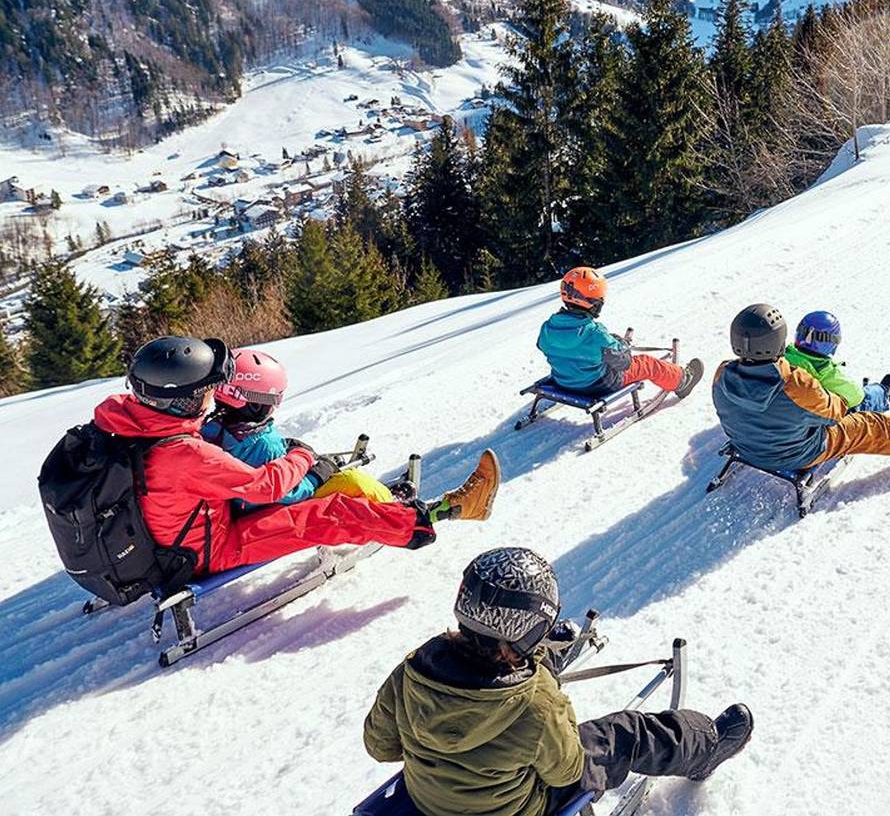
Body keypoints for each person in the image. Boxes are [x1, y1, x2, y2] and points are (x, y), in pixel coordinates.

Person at [363, 547, 753, 816]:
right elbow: (566, 772)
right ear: (527, 632)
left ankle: (544, 656)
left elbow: (380, 746)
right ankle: (708, 747)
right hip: (519, 809)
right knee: (627, 733)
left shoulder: (413, 669)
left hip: (429, 802)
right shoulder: (538, 706)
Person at [91, 336, 500, 575]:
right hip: (206, 550)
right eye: (204, 391)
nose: (213, 396)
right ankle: (434, 515)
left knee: (331, 500)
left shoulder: (129, 422)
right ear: (179, 401)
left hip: (165, 536)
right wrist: (305, 457)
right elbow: (268, 487)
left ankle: (396, 509)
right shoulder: (184, 453)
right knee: (331, 513)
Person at [712, 304, 890, 472]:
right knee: (867, 425)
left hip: (744, 445)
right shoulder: (796, 384)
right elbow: (837, 413)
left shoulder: (722, 374)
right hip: (796, 454)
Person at [203, 346, 402, 509]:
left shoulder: (210, 430)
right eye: (275, 398)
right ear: (257, 402)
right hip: (268, 513)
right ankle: (392, 508)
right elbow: (287, 492)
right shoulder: (263, 445)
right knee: (354, 481)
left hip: (238, 507)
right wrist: (317, 475)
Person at [537, 266, 703, 400]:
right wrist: (621, 346)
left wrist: (608, 344)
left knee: (598, 354)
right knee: (646, 363)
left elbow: (552, 347)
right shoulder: (595, 334)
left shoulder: (548, 327)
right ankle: (682, 381)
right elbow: (624, 363)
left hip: (563, 380)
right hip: (597, 385)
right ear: (593, 302)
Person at [783, 310, 890, 412]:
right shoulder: (829, 376)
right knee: (864, 400)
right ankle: (883, 394)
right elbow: (857, 396)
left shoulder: (782, 360)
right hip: (821, 426)